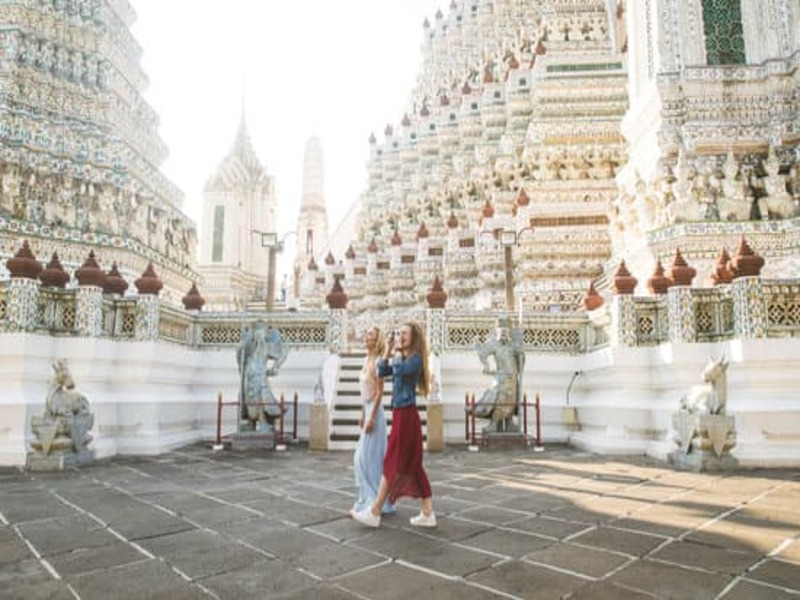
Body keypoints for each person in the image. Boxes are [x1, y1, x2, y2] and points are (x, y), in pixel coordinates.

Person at [352, 321, 436, 528]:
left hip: (407, 415)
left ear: (414, 337)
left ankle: (375, 511)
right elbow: (382, 370)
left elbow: (400, 368)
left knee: (391, 461)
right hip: (400, 414)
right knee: (414, 466)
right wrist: (388, 349)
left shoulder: (414, 360)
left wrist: (396, 354)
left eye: (404, 333)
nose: (401, 336)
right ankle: (428, 512)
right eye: (399, 333)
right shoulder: (402, 357)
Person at [350, 327, 395, 517]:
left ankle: (374, 501)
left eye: (371, 335)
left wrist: (372, 417)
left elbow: (379, 393)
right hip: (367, 409)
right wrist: (362, 413)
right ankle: (366, 499)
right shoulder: (366, 359)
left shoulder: (377, 362)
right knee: (363, 460)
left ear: (377, 340)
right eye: (367, 334)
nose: (367, 337)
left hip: (375, 414)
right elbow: (365, 393)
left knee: (365, 459)